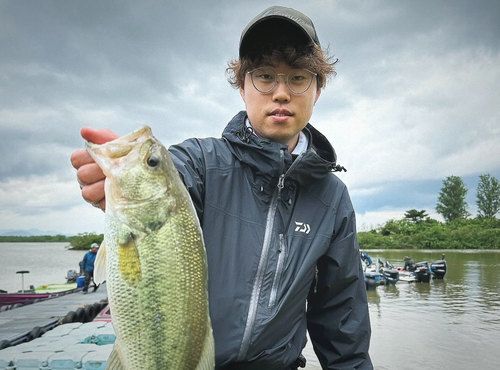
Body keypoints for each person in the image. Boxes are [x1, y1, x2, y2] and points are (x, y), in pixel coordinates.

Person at [71, 6, 372, 369]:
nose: (280, 93)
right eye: (264, 76)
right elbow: (169, 184)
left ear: (318, 89)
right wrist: (124, 183)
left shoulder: (332, 199)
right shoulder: (200, 162)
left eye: (298, 78)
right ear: (242, 86)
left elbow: (341, 319)